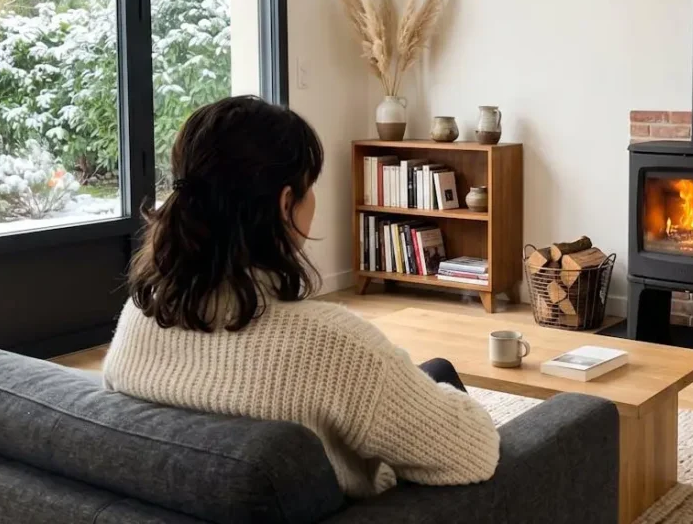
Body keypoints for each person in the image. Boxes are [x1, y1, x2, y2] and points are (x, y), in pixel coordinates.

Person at [103, 96, 499, 497]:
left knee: (437, 369)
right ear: (286, 203)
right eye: (310, 188)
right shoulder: (333, 344)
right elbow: (475, 453)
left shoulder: (141, 315)